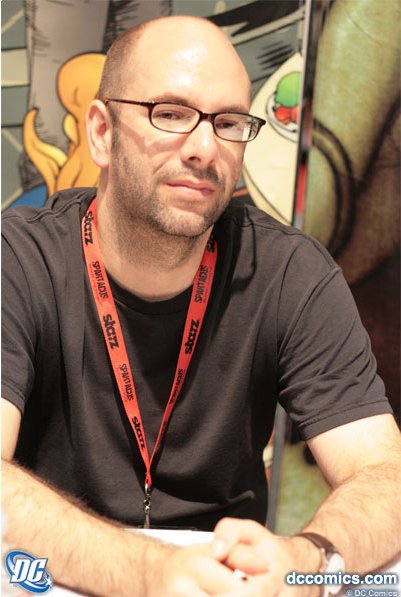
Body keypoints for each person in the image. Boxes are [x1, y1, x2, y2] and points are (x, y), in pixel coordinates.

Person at [2, 15, 400, 597]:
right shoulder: (17, 259)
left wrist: (305, 566)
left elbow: (385, 477)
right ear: (102, 133)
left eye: (229, 122)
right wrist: (150, 572)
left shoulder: (290, 273)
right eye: (170, 113)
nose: (205, 148)